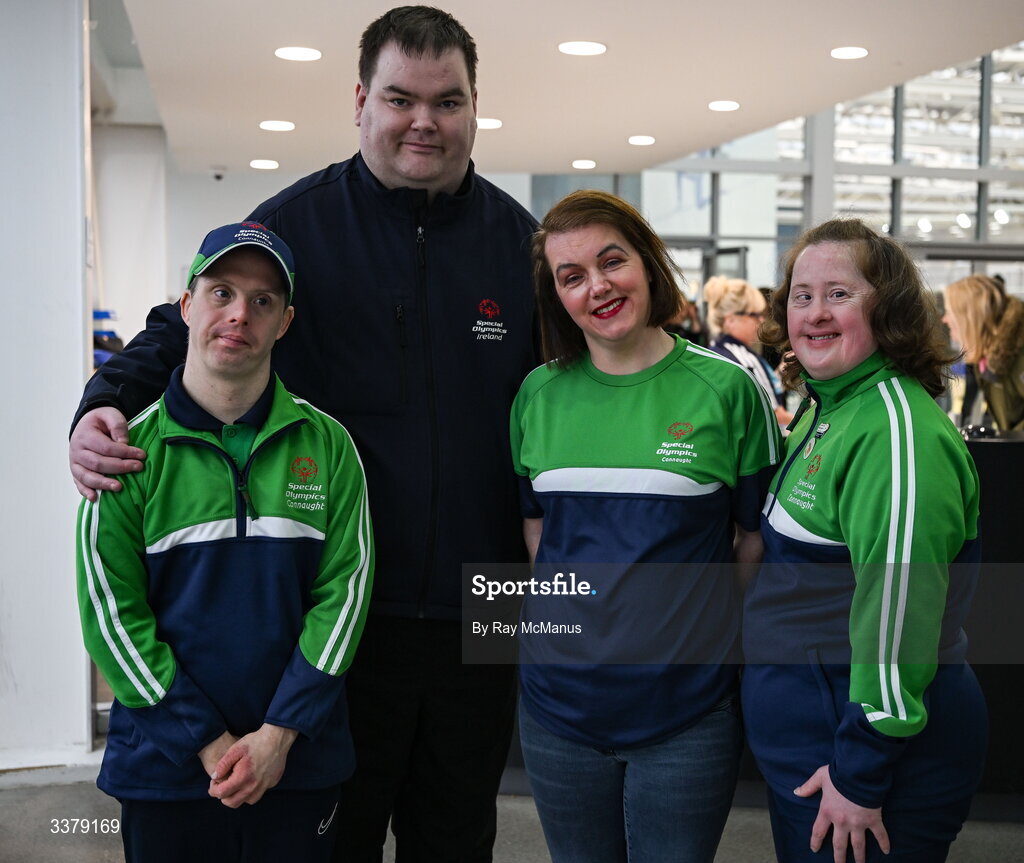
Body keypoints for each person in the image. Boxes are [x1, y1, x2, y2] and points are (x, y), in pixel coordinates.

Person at [68, 7, 538, 861]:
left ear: (476, 107)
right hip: (337, 612)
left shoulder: (520, 245)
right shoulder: (298, 226)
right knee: (336, 837)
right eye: (401, 98)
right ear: (361, 100)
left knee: (462, 835)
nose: (424, 121)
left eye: (448, 101)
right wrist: (98, 403)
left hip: (486, 608)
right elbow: (184, 324)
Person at [76, 223, 374, 863]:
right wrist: (207, 741)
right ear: (186, 305)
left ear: (285, 321)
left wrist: (277, 737)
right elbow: (111, 617)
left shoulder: (329, 448)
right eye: (221, 292)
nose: (240, 314)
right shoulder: (125, 454)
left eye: (263, 300)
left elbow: (343, 598)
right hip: (166, 767)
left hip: (296, 761)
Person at [510, 190, 781, 862]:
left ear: (647, 263)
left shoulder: (726, 389)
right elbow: (539, 536)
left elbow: (750, 544)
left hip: (685, 712)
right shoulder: (537, 394)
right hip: (556, 711)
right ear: (556, 294)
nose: (597, 286)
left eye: (611, 261)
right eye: (571, 276)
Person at [742, 219, 987, 863]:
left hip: (864, 770)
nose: (815, 313)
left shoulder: (895, 430)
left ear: (890, 308)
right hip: (816, 750)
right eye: (801, 295)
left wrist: (861, 770)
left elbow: (899, 613)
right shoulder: (829, 409)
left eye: (839, 294)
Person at [705, 274, 793, 426]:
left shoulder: (716, 351)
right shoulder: (743, 359)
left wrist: (780, 373)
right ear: (730, 319)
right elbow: (772, 413)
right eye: (755, 315)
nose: (761, 321)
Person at [943, 274, 1024, 431]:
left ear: (970, 317)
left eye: (950, 312)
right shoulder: (986, 359)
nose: (944, 319)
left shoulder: (1018, 356)